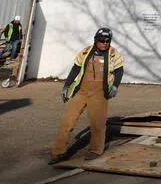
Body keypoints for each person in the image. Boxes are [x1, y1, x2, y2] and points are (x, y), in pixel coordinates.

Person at [51, 28, 125, 163]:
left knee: (97, 123)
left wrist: (115, 86)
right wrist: (67, 86)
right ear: (96, 40)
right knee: (68, 121)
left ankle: (95, 150)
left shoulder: (113, 54)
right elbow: (76, 67)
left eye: (107, 41)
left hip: (100, 93)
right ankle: (58, 152)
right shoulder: (86, 52)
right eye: (102, 40)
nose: (105, 43)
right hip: (82, 91)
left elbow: (119, 70)